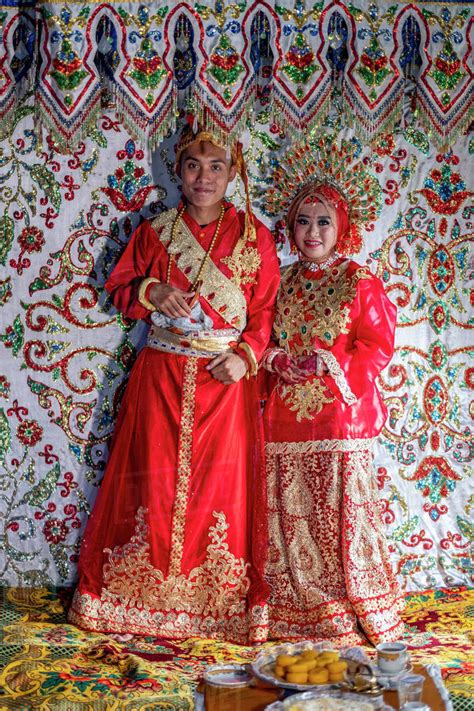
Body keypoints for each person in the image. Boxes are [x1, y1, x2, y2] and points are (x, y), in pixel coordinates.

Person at [68, 121, 280, 644]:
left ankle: (217, 604)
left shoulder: (257, 236)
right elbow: (118, 289)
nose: (204, 177)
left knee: (221, 488)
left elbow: (266, 310)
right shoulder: (154, 231)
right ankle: (138, 596)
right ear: (177, 173)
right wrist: (151, 288)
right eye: (193, 166)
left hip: (224, 381)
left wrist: (248, 357)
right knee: (153, 480)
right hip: (160, 374)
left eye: (215, 166)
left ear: (234, 173)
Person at [260, 140, 405, 646]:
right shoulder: (279, 281)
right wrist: (277, 360)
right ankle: (293, 602)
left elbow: (377, 345)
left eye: (324, 221)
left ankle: (348, 598)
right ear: (290, 228)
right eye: (303, 220)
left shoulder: (359, 281)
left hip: (339, 416)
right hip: (282, 414)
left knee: (337, 509)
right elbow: (263, 340)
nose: (313, 232)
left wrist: (327, 362)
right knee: (287, 511)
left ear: (342, 227)